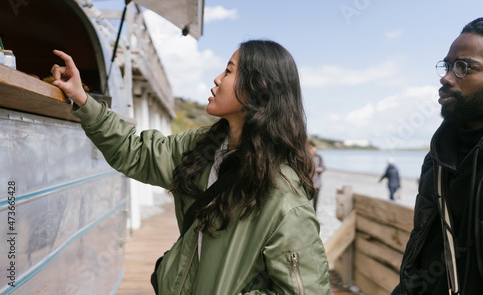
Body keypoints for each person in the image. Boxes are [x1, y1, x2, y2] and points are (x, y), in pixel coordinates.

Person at [51, 40, 331, 294]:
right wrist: (84, 101)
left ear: (256, 89)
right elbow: (136, 152)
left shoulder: (285, 199)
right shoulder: (202, 147)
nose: (217, 78)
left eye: (229, 71)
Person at [392, 15, 483, 295]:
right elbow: (425, 251)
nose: (446, 77)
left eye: (464, 67)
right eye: (448, 65)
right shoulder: (438, 156)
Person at [309, 141, 325, 210]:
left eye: (312, 148)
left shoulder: (318, 157)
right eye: (309, 148)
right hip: (308, 183)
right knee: (307, 202)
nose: (311, 149)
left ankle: (314, 217)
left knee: (315, 203)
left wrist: (317, 169)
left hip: (317, 183)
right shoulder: (305, 157)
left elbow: (323, 168)